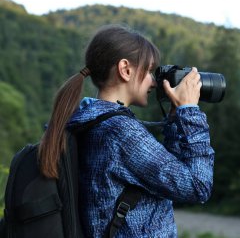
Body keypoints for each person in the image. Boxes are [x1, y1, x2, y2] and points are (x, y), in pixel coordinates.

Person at [38, 24, 215, 238]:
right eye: (149, 70)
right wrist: (190, 112)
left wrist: (177, 120)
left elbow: (170, 177)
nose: (153, 81)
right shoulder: (120, 132)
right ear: (125, 70)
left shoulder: (88, 121)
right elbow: (197, 186)